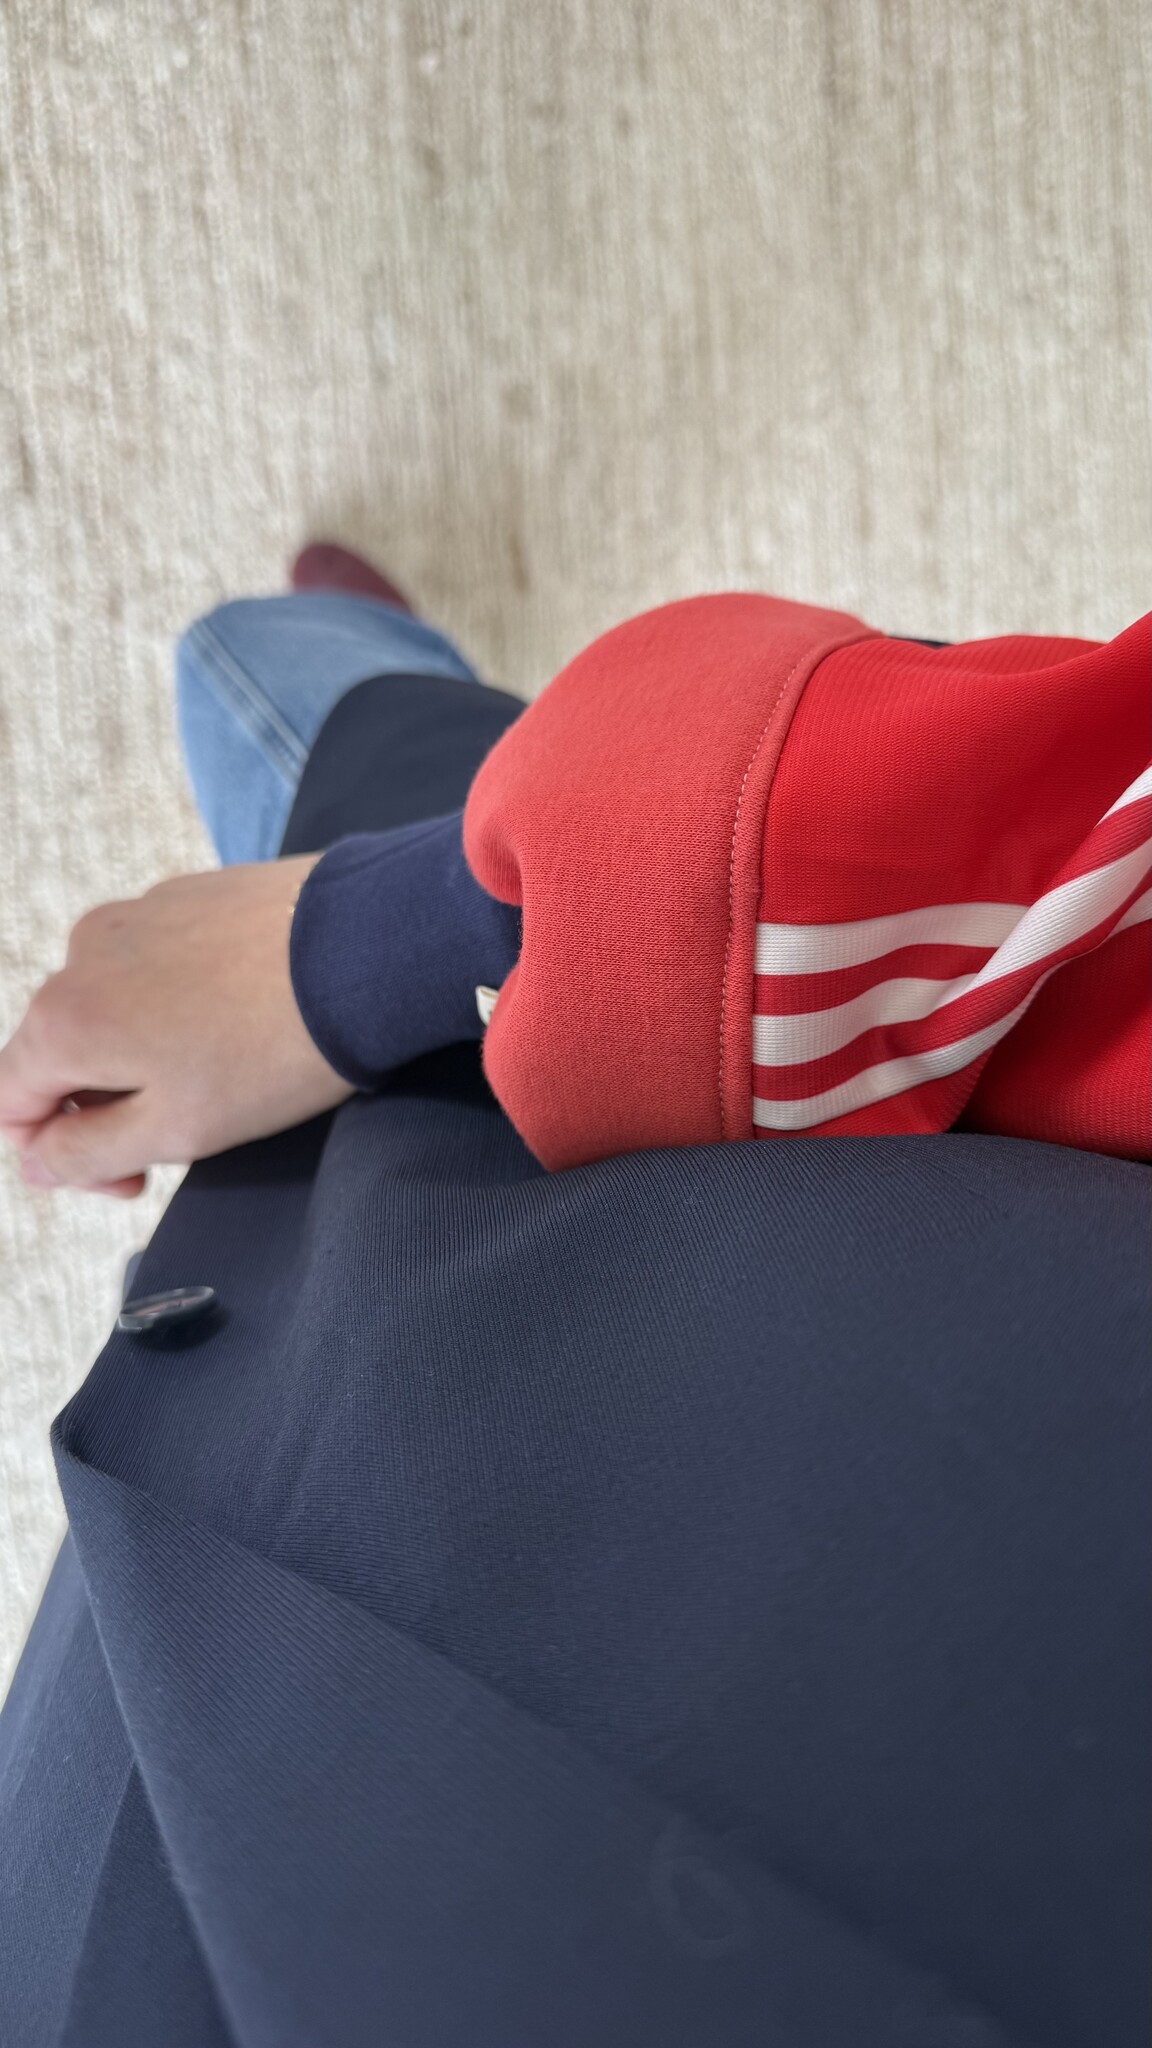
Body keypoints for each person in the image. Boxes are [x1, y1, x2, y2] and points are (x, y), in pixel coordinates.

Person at [0, 546, 1148, 2048]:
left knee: (275, 689)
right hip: (649, 1191)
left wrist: (386, 929)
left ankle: (366, 726)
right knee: (285, 708)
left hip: (382, 1362)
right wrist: (358, 941)